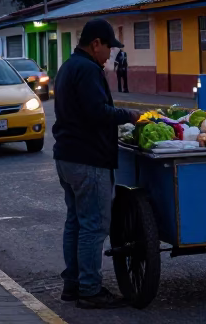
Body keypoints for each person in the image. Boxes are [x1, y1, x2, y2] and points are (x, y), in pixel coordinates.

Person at [51, 19, 136, 309]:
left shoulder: (68, 67)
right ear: (95, 43)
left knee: (76, 222)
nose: (110, 53)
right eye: (109, 46)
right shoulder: (87, 70)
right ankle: (89, 289)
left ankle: (72, 284)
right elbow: (97, 112)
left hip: (67, 157)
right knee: (94, 226)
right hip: (88, 159)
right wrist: (129, 115)